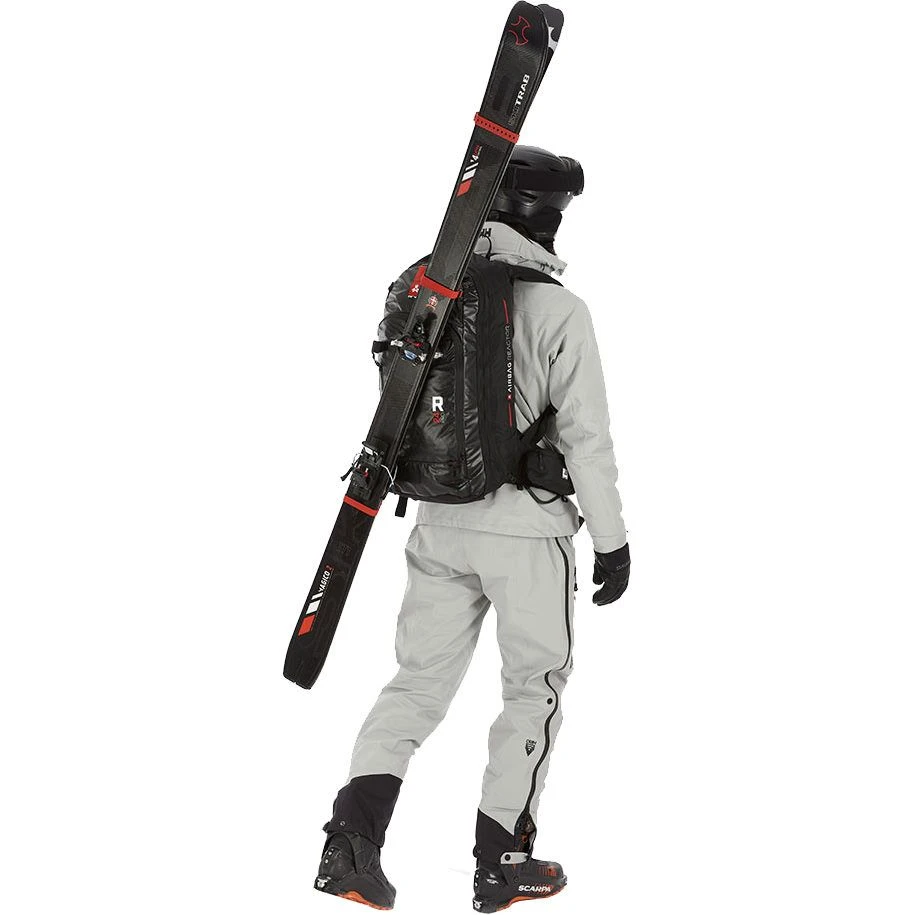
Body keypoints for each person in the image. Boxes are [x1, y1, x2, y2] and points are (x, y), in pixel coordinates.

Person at [314, 146, 630, 912]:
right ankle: (501, 861)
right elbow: (586, 437)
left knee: (415, 683)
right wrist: (612, 541)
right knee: (533, 688)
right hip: (528, 534)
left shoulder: (433, 292)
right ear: (548, 218)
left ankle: (348, 845)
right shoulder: (561, 311)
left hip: (438, 520)